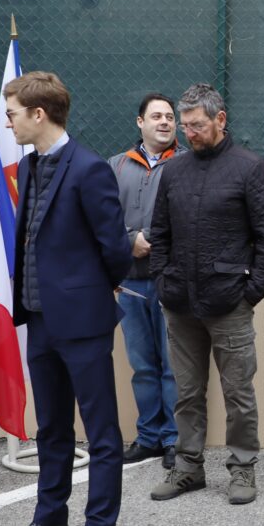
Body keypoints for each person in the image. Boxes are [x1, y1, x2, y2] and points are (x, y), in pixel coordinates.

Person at [0, 71, 132, 526]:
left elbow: (116, 249)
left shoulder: (90, 169)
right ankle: (50, 519)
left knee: (101, 432)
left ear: (39, 114)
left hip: (83, 321)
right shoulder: (29, 165)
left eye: (12, 114)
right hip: (39, 319)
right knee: (51, 427)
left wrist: (89, 291)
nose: (7, 123)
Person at [148, 83, 264, 505]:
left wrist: (249, 295)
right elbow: (160, 234)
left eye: (197, 125)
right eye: (185, 126)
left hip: (229, 304)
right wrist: (163, 281)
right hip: (180, 302)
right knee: (187, 392)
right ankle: (188, 468)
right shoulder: (174, 171)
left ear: (220, 119)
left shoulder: (250, 168)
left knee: (238, 393)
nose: (189, 133)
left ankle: (243, 469)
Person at [108, 93, 184, 470]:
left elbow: (191, 219)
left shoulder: (187, 164)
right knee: (142, 365)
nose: (164, 122)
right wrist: (129, 242)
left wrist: (149, 238)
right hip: (129, 284)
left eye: (169, 116)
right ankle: (149, 436)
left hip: (171, 282)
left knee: (173, 366)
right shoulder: (116, 166)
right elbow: (101, 219)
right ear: (140, 122)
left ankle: (174, 439)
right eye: (156, 116)